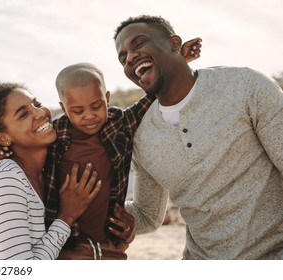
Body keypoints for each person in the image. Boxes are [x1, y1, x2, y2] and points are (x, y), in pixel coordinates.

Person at [114, 15, 283, 259]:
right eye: (123, 58)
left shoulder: (246, 87)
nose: (129, 58)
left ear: (174, 43)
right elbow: (147, 215)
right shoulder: (142, 137)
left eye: (138, 44)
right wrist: (90, 213)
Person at [42, 50, 199, 260]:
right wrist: (2, 150)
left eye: (96, 106)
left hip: (109, 243)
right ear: (63, 108)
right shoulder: (54, 135)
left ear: (107, 98)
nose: (89, 115)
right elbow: (20, 143)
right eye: (77, 111)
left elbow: (152, 98)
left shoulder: (118, 124)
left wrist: (175, 64)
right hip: (65, 243)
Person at [0, 82, 101, 259]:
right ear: (3, 138)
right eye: (24, 114)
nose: (41, 113)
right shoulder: (6, 182)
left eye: (36, 104)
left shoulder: (46, 170)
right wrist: (66, 217)